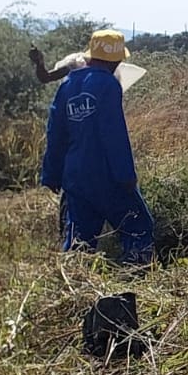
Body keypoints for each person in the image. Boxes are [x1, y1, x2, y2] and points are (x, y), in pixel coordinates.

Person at [39, 30, 155, 265]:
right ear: (116, 60)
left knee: (79, 239)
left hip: (76, 178)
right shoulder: (109, 85)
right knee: (138, 226)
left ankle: (73, 283)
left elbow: (56, 133)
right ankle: (134, 275)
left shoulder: (68, 84)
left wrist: (51, 175)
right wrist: (126, 176)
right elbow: (113, 134)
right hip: (106, 176)